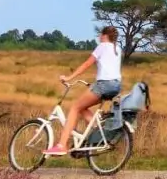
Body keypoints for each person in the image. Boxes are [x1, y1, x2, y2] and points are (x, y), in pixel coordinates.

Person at [50, 26, 123, 155]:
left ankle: (62, 145)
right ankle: (98, 132)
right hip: (116, 86)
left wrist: (69, 78)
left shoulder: (102, 46)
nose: (99, 37)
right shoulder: (117, 48)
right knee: (83, 107)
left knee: (75, 108)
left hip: (103, 85)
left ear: (104, 35)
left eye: (100, 35)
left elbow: (86, 64)